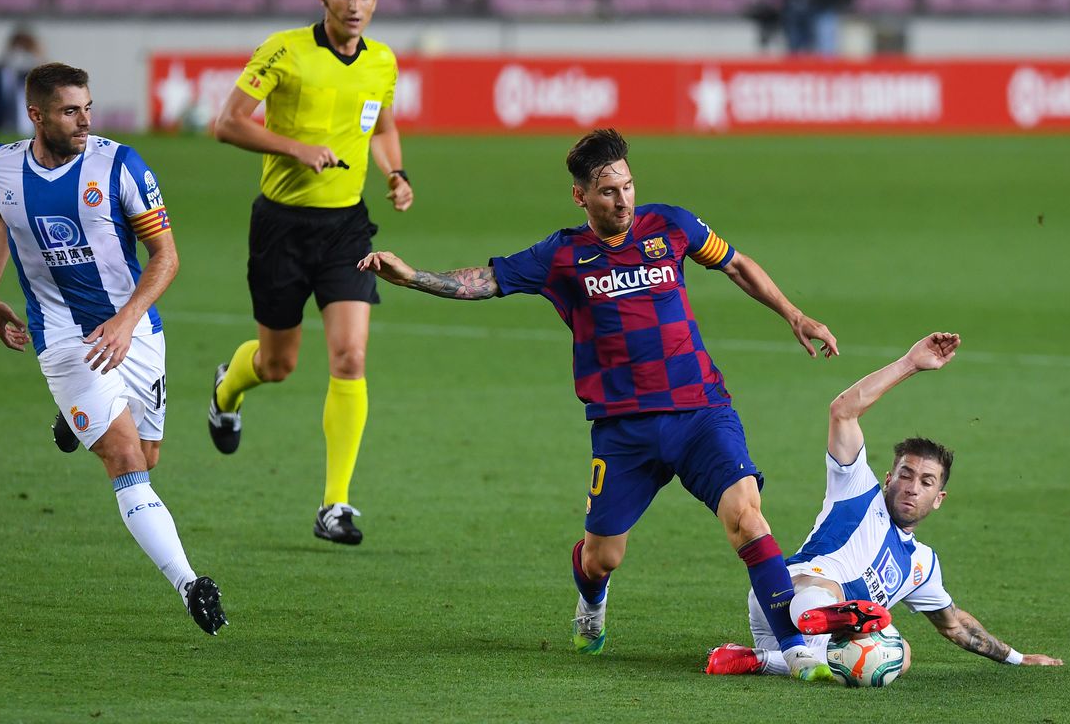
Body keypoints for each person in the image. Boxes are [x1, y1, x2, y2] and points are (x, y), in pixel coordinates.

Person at [358, 128, 876, 679]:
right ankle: (591, 603)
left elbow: (735, 264)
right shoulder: (561, 255)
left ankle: (796, 649)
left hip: (701, 411)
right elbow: (486, 280)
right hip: (624, 432)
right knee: (602, 556)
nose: (623, 199)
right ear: (580, 196)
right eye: (608, 191)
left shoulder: (669, 224)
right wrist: (411, 276)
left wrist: (793, 314)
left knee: (748, 519)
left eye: (628, 186)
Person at [0, 62, 227, 636]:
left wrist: (126, 320)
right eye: (70, 111)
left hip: (133, 330)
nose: (85, 119)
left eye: (88, 107)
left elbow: (165, 255)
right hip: (62, 336)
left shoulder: (119, 166)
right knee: (127, 463)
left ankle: (73, 422)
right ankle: (190, 582)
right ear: (35, 115)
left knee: (150, 453)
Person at [208, 0, 412, 547]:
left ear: (377, 0)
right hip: (281, 225)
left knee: (350, 356)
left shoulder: (382, 62)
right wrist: (296, 148)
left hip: (346, 228)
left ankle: (336, 505)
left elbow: (383, 126)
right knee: (278, 364)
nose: (356, 5)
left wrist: (396, 174)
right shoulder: (284, 50)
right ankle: (226, 389)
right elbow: (227, 122)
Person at [706, 333, 1064, 676]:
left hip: (797, 643)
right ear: (888, 479)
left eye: (926, 482)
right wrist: (910, 363)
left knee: (901, 654)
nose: (911, 488)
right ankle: (832, 618)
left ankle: (760, 659)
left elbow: (954, 625)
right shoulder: (856, 488)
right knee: (822, 591)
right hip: (786, 597)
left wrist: (1015, 658)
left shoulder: (921, 564)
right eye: (905, 475)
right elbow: (843, 411)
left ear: (939, 499)